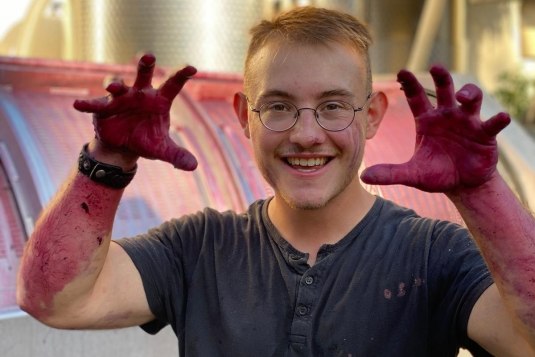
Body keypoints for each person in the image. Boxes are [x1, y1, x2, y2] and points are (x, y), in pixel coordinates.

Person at [16, 6, 535, 356]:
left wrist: (481, 190)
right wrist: (107, 160)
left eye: (333, 106)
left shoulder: (436, 257)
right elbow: (53, 300)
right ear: (244, 115)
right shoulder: (197, 248)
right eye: (279, 106)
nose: (307, 135)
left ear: (373, 114)